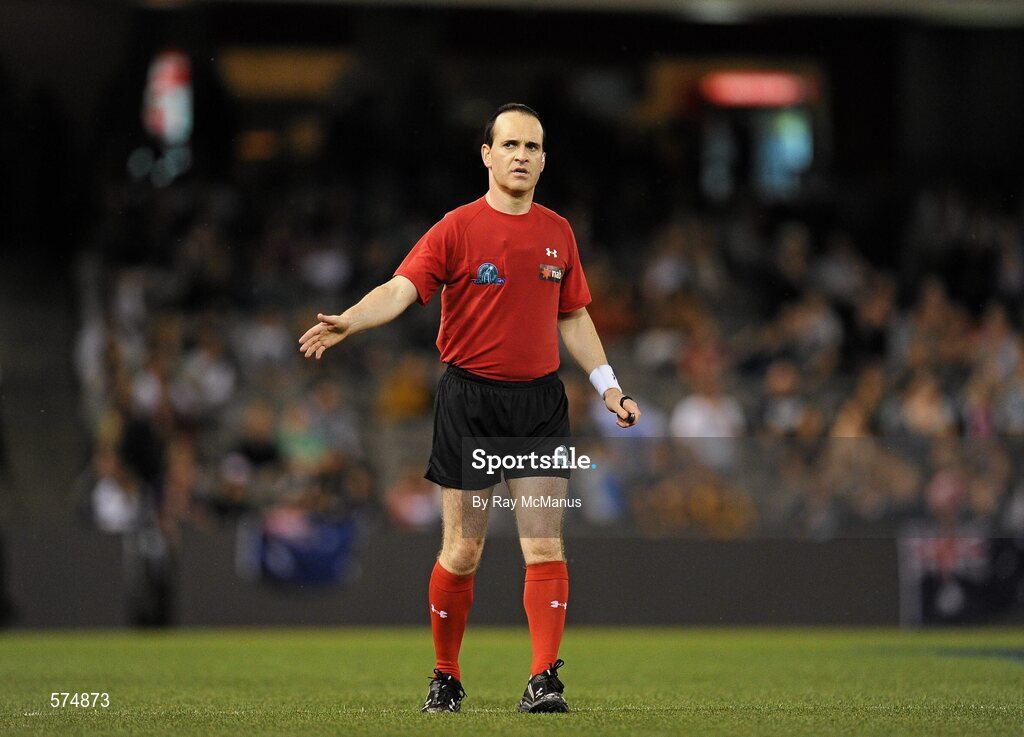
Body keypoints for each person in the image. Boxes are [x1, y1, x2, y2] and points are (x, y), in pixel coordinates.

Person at [299, 103, 641, 714]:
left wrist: (609, 384)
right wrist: (351, 319)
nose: (521, 156)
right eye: (510, 145)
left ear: (543, 160)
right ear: (486, 154)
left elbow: (575, 313)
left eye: (533, 147)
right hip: (469, 400)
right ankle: (446, 675)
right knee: (463, 550)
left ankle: (543, 679)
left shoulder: (558, 232)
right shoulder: (456, 228)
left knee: (544, 546)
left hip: (540, 402)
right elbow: (402, 288)